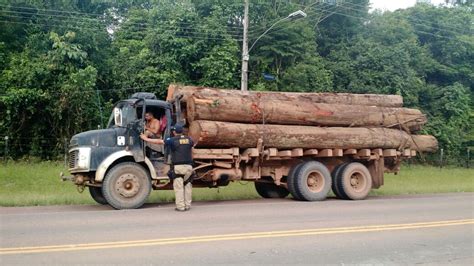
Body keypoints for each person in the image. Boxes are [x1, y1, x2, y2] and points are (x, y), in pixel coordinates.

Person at [140, 124, 194, 212]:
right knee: (187, 186)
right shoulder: (189, 140)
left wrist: (145, 139)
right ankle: (187, 205)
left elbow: (159, 141)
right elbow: (192, 150)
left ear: (174, 132)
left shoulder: (172, 140)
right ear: (182, 131)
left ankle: (180, 207)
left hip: (178, 167)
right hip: (189, 167)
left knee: (179, 187)